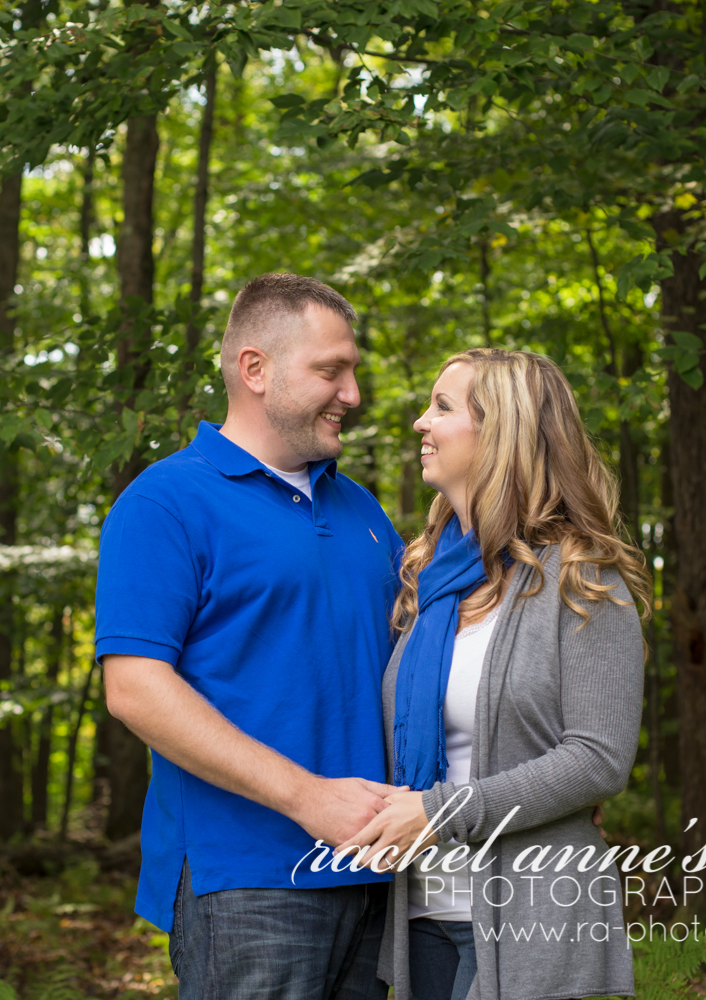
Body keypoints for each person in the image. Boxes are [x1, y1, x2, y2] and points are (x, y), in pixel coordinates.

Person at [94, 273, 405, 1000]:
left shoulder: (362, 509)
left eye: (353, 370)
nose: (352, 393)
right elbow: (134, 689)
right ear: (254, 369)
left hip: (377, 873)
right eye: (331, 370)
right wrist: (308, 799)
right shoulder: (165, 503)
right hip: (247, 881)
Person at [342, 349, 650, 1000]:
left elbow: (598, 760)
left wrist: (441, 811)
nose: (420, 422)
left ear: (501, 433)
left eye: (443, 408)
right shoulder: (428, 583)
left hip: (538, 913)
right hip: (422, 908)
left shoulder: (582, 577)